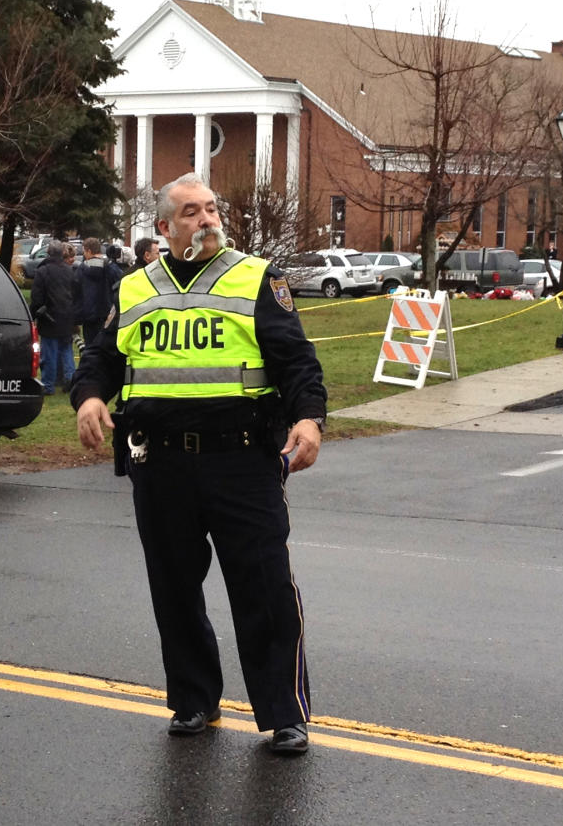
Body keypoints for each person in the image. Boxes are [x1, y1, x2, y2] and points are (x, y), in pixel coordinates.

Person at [71, 172, 326, 755]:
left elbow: (296, 362)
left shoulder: (257, 278)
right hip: (159, 464)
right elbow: (101, 361)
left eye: (211, 208)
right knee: (174, 588)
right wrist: (88, 397)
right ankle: (193, 700)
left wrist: (309, 418)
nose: (206, 219)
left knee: (263, 588)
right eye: (191, 212)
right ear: (163, 227)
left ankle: (283, 713)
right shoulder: (134, 289)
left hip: (242, 460)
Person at [29, 240, 76, 394]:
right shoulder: (70, 271)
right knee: (66, 350)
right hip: (67, 316)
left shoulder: (43, 271)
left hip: (49, 317)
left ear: (48, 253)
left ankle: (48, 385)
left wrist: (34, 312)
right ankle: (70, 380)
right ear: (62, 253)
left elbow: (36, 297)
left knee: (49, 353)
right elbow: (76, 293)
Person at [72, 237, 112, 347]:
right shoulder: (109, 267)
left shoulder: (82, 269)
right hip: (107, 313)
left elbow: (76, 291)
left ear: (89, 251)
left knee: (90, 345)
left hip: (88, 314)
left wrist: (76, 315)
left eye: (84, 251)